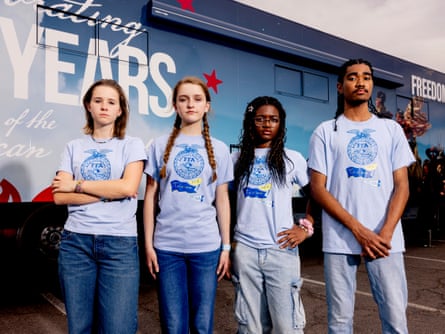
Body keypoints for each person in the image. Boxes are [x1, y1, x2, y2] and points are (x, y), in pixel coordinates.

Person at [308, 59, 415, 333]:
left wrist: (386, 232)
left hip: (385, 239)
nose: (361, 82)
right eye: (353, 77)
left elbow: (402, 186)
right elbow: (318, 189)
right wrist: (358, 230)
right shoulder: (325, 131)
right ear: (340, 87)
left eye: (366, 77)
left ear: (372, 84)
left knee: (395, 319)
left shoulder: (390, 130)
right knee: (340, 323)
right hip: (340, 240)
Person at [51, 79, 146, 333]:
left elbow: (128, 189)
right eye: (98, 100)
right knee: (80, 327)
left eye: (111, 102)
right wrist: (110, 191)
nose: (104, 106)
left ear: (120, 110)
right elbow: (60, 196)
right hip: (76, 243)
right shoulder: (73, 147)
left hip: (119, 245)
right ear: (88, 106)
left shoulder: (132, 145)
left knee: (119, 327)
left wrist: (77, 185)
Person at [143, 76, 233, 334]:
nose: (190, 104)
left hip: (206, 248)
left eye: (197, 99)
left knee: (202, 325)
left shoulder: (219, 148)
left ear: (207, 105)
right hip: (167, 248)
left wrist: (225, 247)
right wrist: (149, 245)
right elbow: (150, 196)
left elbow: (223, 199)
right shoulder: (159, 145)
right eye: (183, 99)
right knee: (173, 326)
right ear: (175, 106)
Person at [231, 96, 312, 333]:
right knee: (250, 327)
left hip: (281, 250)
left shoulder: (292, 159)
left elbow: (315, 195)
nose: (267, 124)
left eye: (273, 120)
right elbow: (222, 202)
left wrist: (305, 228)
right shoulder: (236, 160)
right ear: (250, 123)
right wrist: (227, 245)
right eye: (260, 119)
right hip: (245, 252)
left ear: (281, 125)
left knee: (286, 327)